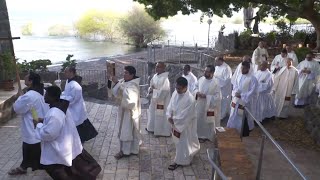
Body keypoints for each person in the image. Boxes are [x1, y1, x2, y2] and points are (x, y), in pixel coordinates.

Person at [35, 86, 101, 180]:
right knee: (73, 168)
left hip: (59, 147)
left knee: (60, 171)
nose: (44, 97)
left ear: (52, 97)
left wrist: (38, 126)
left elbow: (49, 134)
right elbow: (58, 124)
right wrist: (44, 120)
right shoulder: (61, 106)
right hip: (66, 144)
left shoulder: (54, 113)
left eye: (46, 95)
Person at [8, 72, 49, 176]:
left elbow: (18, 109)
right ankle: (32, 165)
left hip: (32, 125)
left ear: (30, 81)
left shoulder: (29, 96)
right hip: (40, 122)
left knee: (29, 146)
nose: (24, 78)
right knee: (35, 146)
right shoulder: (43, 91)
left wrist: (19, 97)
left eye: (26, 78)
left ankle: (24, 167)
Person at [166, 77, 200, 170]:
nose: (177, 90)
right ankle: (180, 155)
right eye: (176, 87)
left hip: (185, 124)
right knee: (178, 141)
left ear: (185, 87)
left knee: (183, 142)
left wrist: (174, 120)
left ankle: (181, 161)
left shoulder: (190, 99)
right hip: (176, 121)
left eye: (179, 88)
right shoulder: (175, 93)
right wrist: (169, 115)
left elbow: (186, 115)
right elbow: (170, 105)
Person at [111, 66, 141, 159]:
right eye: (124, 72)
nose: (124, 74)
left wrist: (117, 83)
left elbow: (131, 100)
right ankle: (125, 149)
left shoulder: (133, 85)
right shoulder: (124, 81)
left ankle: (126, 151)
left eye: (126, 73)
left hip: (129, 113)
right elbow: (115, 91)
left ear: (132, 75)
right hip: (122, 111)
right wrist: (114, 82)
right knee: (123, 130)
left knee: (127, 131)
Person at [61, 66, 98, 143]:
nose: (64, 73)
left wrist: (61, 98)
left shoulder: (75, 85)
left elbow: (73, 99)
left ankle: (79, 143)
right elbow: (67, 92)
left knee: (78, 126)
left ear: (71, 72)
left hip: (76, 108)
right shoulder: (69, 81)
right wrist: (61, 95)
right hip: (72, 109)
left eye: (66, 71)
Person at [227, 61, 258, 136]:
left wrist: (242, 95)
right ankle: (232, 128)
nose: (242, 70)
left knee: (243, 115)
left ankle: (242, 131)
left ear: (248, 68)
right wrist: (235, 93)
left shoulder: (253, 79)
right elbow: (235, 86)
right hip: (236, 99)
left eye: (244, 68)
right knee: (234, 113)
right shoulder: (239, 76)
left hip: (245, 101)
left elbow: (253, 91)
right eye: (241, 68)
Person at [194, 65, 221, 142]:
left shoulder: (216, 82)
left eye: (207, 71)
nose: (205, 73)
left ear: (212, 73)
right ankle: (199, 135)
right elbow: (195, 87)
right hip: (200, 104)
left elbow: (218, 96)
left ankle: (207, 136)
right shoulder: (201, 79)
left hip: (209, 106)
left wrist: (206, 96)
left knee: (208, 121)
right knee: (199, 119)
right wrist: (197, 92)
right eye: (204, 71)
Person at [146, 62, 171, 137]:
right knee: (153, 113)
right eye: (156, 67)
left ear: (163, 68)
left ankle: (161, 132)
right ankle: (152, 128)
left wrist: (155, 91)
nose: (157, 68)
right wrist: (150, 89)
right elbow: (151, 85)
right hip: (154, 100)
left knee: (160, 116)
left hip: (162, 101)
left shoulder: (165, 79)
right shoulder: (155, 76)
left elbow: (164, 91)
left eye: (159, 67)